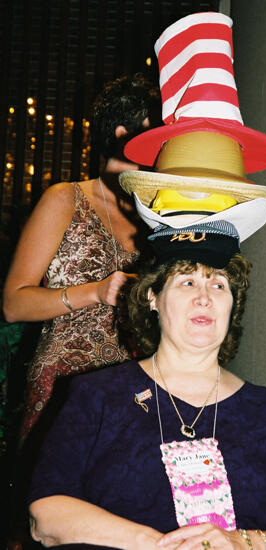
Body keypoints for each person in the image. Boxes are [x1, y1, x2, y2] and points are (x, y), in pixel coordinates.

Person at [27, 219, 266, 550]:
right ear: (152, 298)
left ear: (233, 305)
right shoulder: (98, 395)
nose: (204, 298)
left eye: (219, 286)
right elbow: (46, 516)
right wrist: (161, 544)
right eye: (187, 283)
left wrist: (241, 542)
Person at [3, 73, 161, 442]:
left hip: (135, 390)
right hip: (64, 386)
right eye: (154, 134)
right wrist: (95, 292)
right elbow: (13, 303)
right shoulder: (65, 199)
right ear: (122, 134)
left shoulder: (155, 213)